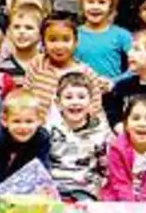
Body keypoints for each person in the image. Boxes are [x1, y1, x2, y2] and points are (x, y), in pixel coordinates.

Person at [45, 73, 110, 202]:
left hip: (85, 190)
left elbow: (104, 166)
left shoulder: (100, 132)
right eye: (68, 97)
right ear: (58, 103)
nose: (75, 102)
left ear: (91, 102)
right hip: (54, 188)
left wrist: (100, 190)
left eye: (81, 97)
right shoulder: (48, 130)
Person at [102, 96, 146, 202]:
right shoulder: (116, 148)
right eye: (135, 118)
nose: (142, 124)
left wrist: (143, 200)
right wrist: (130, 204)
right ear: (126, 124)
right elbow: (119, 181)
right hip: (118, 198)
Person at [0, 90, 52, 190]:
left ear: (39, 121)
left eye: (29, 121)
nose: (23, 127)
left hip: (30, 185)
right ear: (4, 121)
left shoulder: (42, 137)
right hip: (2, 185)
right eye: (16, 121)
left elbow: (42, 170)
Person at [72, 0, 132, 83]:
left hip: (111, 93)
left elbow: (138, 66)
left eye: (101, 2)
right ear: (82, 4)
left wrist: (114, 82)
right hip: (79, 93)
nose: (95, 7)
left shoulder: (121, 35)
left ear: (111, 5)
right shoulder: (73, 35)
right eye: (90, 1)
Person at [0, 3, 43, 81]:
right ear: (9, 32)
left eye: (29, 28)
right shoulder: (2, 67)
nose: (21, 31)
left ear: (40, 34)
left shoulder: (47, 65)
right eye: (16, 27)